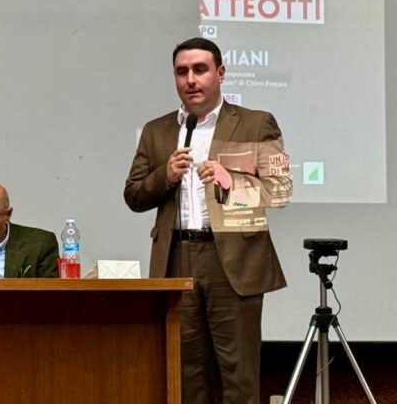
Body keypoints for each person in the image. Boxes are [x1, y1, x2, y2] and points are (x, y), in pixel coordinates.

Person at [124, 37, 292, 404]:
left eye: (200, 69)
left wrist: (232, 182)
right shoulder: (157, 131)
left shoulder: (256, 123)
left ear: (220, 73)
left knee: (238, 373)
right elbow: (133, 196)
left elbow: (280, 191)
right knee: (184, 373)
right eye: (181, 72)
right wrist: (165, 176)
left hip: (231, 260)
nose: (190, 80)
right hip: (176, 259)